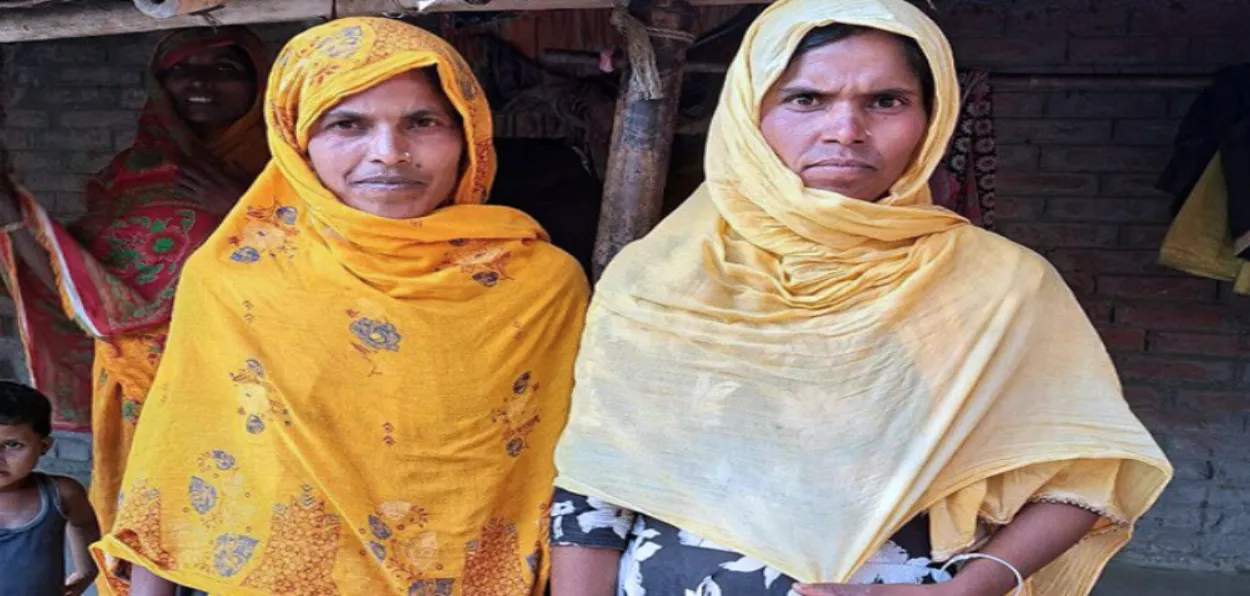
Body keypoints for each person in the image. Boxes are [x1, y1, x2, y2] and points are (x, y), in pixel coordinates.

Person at [550, 1, 1172, 595]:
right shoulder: (656, 277)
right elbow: (595, 487)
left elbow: (1086, 472)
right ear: (748, 113)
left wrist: (971, 589)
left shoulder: (1002, 285)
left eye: (886, 101)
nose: (845, 130)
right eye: (805, 99)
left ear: (932, 119)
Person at [91, 17, 588, 596]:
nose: (390, 154)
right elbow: (177, 456)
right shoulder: (237, 280)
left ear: (468, 134)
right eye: (347, 124)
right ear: (296, 142)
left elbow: (573, 478)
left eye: (422, 122)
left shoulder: (541, 285)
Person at [0, 27, 271, 535]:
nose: (200, 84)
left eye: (224, 69)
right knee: (158, 521)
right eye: (180, 70)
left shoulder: (293, 167)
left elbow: (339, 264)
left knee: (251, 522)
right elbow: (85, 287)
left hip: (256, 383)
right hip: (140, 386)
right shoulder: (130, 173)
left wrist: (246, 210)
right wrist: (13, 216)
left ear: (259, 81)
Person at [0, 381, 101, 596]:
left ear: (43, 446)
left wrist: (86, 572)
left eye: (12, 445)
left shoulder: (61, 493)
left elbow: (84, 525)